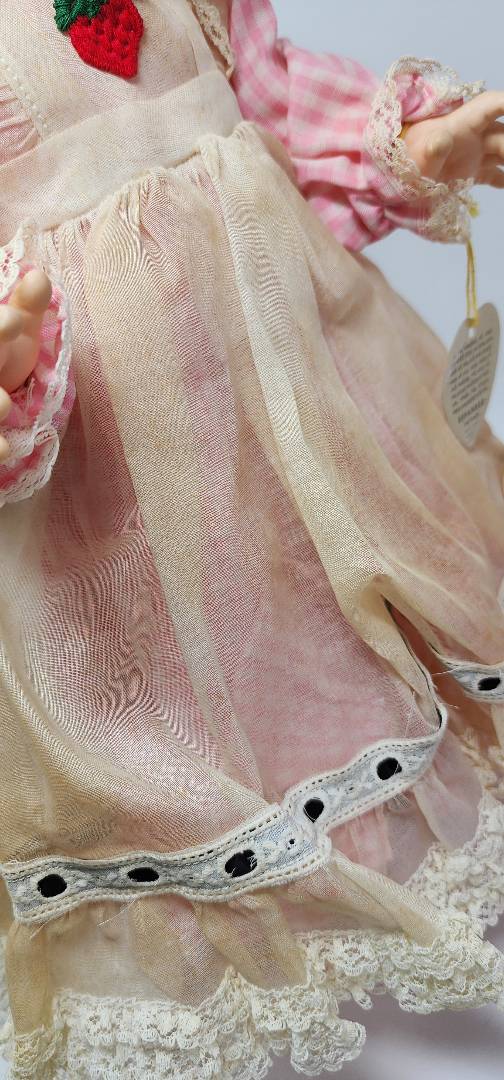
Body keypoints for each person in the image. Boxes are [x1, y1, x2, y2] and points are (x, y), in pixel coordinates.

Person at [0, 2, 503, 1076]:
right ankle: (249, 939)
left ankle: (390, 860)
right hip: (116, 485)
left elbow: (267, 106)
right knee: (182, 700)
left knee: (326, 626)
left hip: (302, 404)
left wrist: (404, 146)